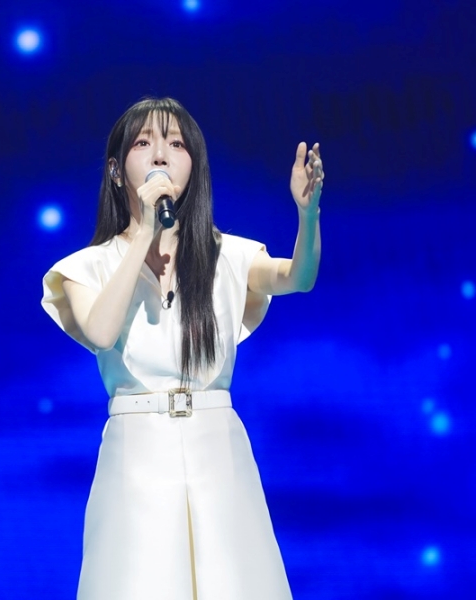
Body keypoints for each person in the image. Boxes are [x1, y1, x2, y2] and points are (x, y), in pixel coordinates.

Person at [41, 97, 322, 600]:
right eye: (143, 143)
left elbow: (297, 277)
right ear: (116, 170)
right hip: (136, 451)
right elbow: (101, 333)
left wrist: (308, 213)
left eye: (176, 143)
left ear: (194, 165)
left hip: (218, 448)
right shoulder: (87, 267)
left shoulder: (228, 255)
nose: (161, 154)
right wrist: (145, 233)